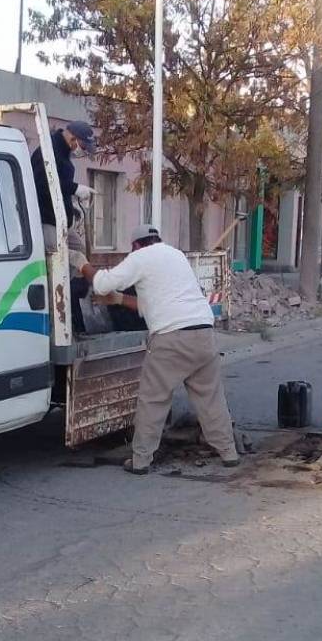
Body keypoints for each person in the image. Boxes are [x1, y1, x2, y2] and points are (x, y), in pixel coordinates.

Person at [71, 225, 240, 474]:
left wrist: (81, 263)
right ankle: (229, 453)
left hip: (172, 340)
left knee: (153, 401)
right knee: (211, 399)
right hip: (204, 335)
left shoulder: (140, 256)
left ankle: (140, 461)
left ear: (136, 245)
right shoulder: (176, 255)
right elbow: (158, 302)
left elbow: (102, 283)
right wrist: (119, 299)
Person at [30, 120, 96, 252]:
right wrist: (75, 189)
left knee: (79, 251)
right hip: (47, 220)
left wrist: (72, 204)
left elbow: (60, 184)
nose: (83, 151)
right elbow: (43, 184)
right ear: (73, 138)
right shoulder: (48, 151)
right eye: (83, 147)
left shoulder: (63, 153)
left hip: (61, 221)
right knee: (61, 256)